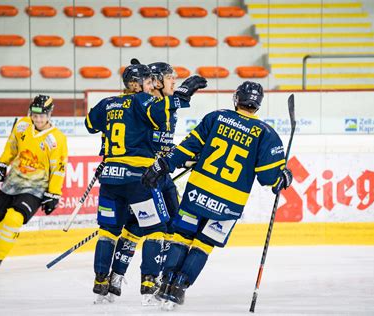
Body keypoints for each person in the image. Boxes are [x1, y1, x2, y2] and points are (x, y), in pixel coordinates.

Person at [141, 81, 293, 308]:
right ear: (257, 105)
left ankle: (166, 284)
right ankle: (179, 287)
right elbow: (269, 179)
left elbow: (187, 148)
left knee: (182, 237)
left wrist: (164, 165)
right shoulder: (266, 134)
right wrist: (284, 176)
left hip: (197, 193)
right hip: (229, 203)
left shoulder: (216, 117)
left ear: (237, 99)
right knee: (203, 245)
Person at [84, 61, 207, 304]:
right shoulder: (145, 103)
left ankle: (103, 279)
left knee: (112, 230)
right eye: (150, 81)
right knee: (152, 229)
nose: (151, 84)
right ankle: (146, 282)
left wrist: (181, 158)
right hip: (142, 176)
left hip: (119, 175)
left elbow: (91, 124)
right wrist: (184, 93)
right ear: (138, 84)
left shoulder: (110, 102)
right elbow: (155, 115)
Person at [0, 95, 68, 274]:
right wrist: (2, 163)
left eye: (42, 115)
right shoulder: (22, 124)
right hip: (13, 181)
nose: (38, 119)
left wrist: (54, 193)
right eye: (35, 114)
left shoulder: (57, 139)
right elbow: (11, 147)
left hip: (36, 187)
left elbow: (58, 169)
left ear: (49, 114)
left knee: (14, 218)